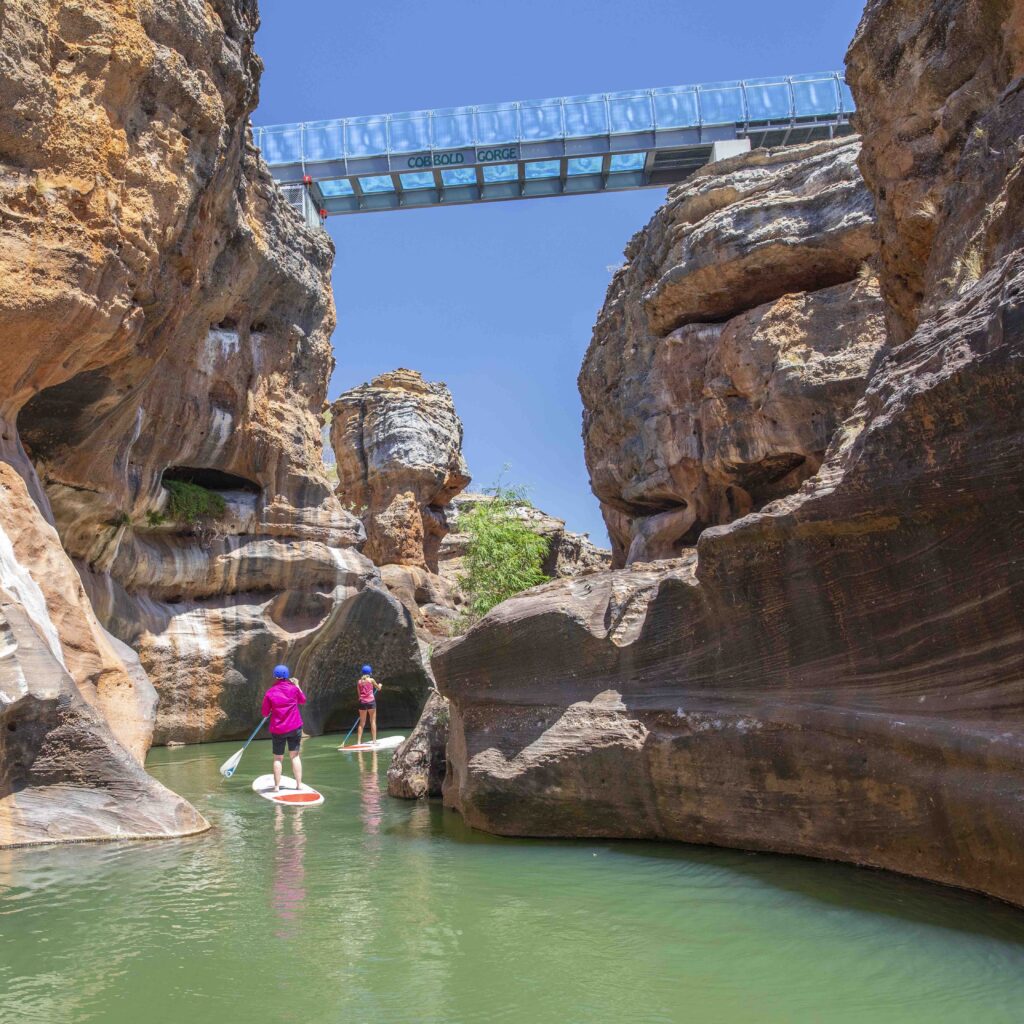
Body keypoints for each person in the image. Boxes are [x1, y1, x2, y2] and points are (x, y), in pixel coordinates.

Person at [261, 664, 306, 792]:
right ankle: (299, 785)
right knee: (295, 756)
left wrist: (271, 709)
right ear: (287, 676)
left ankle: (276, 787)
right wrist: (297, 686)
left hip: (278, 729)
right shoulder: (294, 689)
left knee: (278, 758)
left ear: (275, 676)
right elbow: (302, 700)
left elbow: (265, 713)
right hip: (294, 726)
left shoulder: (270, 692)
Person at [355, 663, 382, 746]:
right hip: (371, 702)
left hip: (362, 703)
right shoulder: (371, 680)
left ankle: (359, 742)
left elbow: (359, 695)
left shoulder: (359, 682)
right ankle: (374, 741)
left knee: (361, 723)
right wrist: (380, 685)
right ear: (370, 673)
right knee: (372, 721)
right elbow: (378, 688)